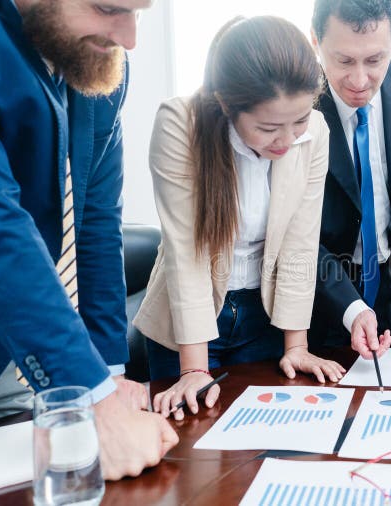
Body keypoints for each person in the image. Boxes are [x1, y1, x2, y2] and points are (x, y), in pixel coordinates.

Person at [0, 0, 177, 479]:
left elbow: (98, 223)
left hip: (35, 372)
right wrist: (96, 400)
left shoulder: (99, 64)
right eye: (107, 8)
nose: (129, 38)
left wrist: (109, 376)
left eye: (138, 13)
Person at [134, 16, 345, 419]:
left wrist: (296, 345)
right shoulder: (181, 122)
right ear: (228, 105)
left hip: (263, 316)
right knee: (192, 447)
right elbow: (187, 253)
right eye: (268, 128)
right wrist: (194, 368)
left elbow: (300, 242)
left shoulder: (315, 132)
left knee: (266, 441)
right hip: (186, 330)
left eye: (298, 121)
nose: (287, 141)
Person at [309, 0, 391, 360]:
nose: (360, 81)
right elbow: (293, 229)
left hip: (386, 279)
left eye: (375, 60)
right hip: (321, 283)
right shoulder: (297, 101)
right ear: (315, 41)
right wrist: (347, 301)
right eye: (343, 61)